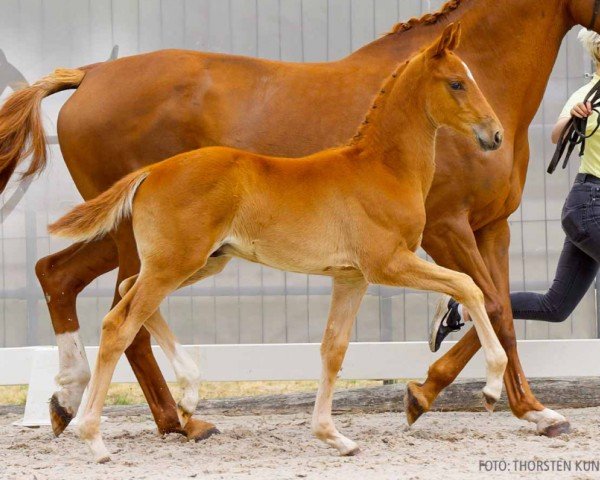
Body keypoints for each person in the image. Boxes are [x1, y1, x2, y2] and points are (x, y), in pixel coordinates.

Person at [430, 28, 600, 352]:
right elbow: (555, 134)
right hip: (589, 206)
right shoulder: (586, 97)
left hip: (590, 210)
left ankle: (461, 310)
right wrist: (572, 120)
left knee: (556, 307)